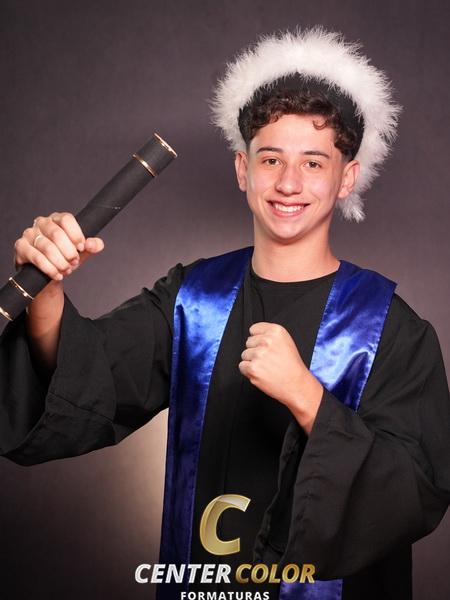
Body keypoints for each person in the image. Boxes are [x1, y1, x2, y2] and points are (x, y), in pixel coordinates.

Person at [1, 28, 449, 600]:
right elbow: (88, 380)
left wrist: (307, 398)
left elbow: (417, 490)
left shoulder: (391, 328)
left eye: (314, 162)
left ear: (347, 178)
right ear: (243, 169)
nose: (288, 183)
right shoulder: (192, 300)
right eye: (271, 159)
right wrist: (46, 291)